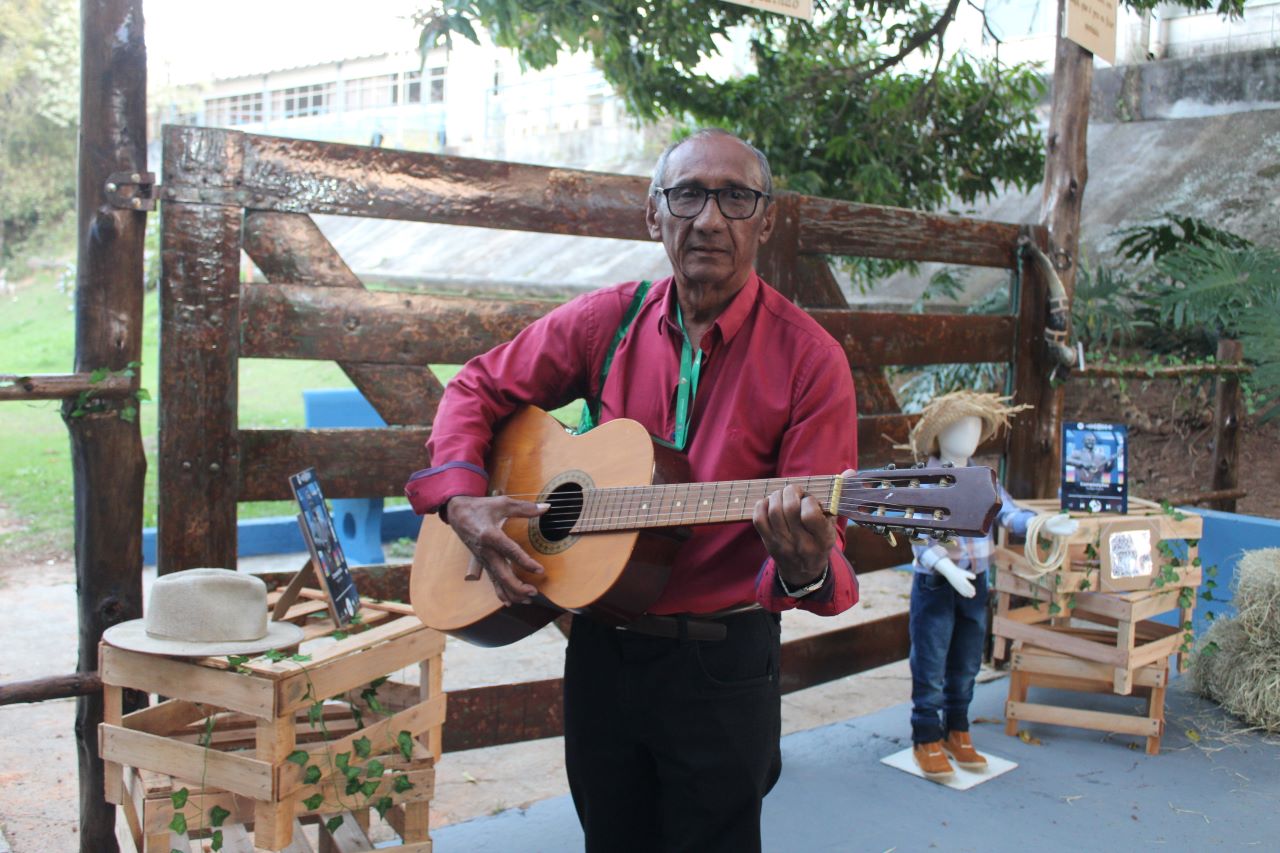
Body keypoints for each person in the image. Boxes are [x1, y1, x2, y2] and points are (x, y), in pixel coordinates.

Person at [405, 128, 859, 852]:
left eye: (736, 198)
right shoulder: (607, 321)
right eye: (687, 195)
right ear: (654, 214)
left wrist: (803, 563)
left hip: (723, 663)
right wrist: (460, 499)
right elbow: (476, 386)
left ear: (766, 220)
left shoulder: (810, 360)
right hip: (601, 652)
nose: (709, 219)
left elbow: (815, 561)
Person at [902, 391, 1077, 780]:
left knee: (967, 659)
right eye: (961, 425)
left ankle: (957, 729)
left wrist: (1041, 524)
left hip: (976, 582)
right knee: (930, 660)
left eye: (975, 426)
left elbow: (1008, 513)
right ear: (940, 432)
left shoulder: (985, 480)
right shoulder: (925, 481)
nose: (969, 433)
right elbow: (917, 535)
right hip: (936, 585)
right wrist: (946, 568)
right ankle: (925, 737)